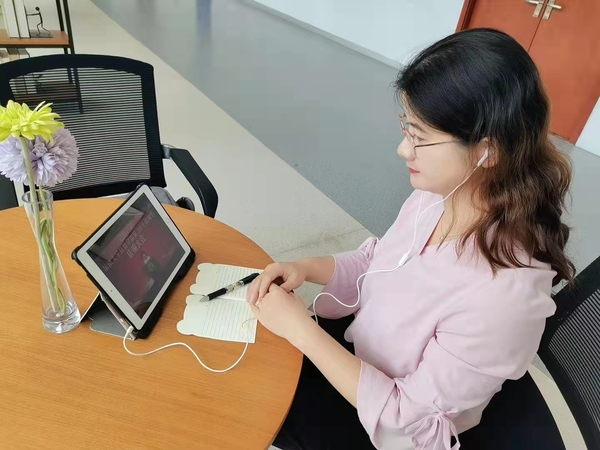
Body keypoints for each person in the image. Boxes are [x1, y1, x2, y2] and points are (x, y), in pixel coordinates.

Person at [247, 28, 574, 450]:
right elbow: (380, 262)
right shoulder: (438, 196)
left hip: (384, 421)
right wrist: (305, 268)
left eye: (420, 137)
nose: (404, 150)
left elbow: (407, 424)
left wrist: (301, 332)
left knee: (247, 398)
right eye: (407, 128)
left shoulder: (503, 294)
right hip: (364, 358)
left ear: (487, 152)